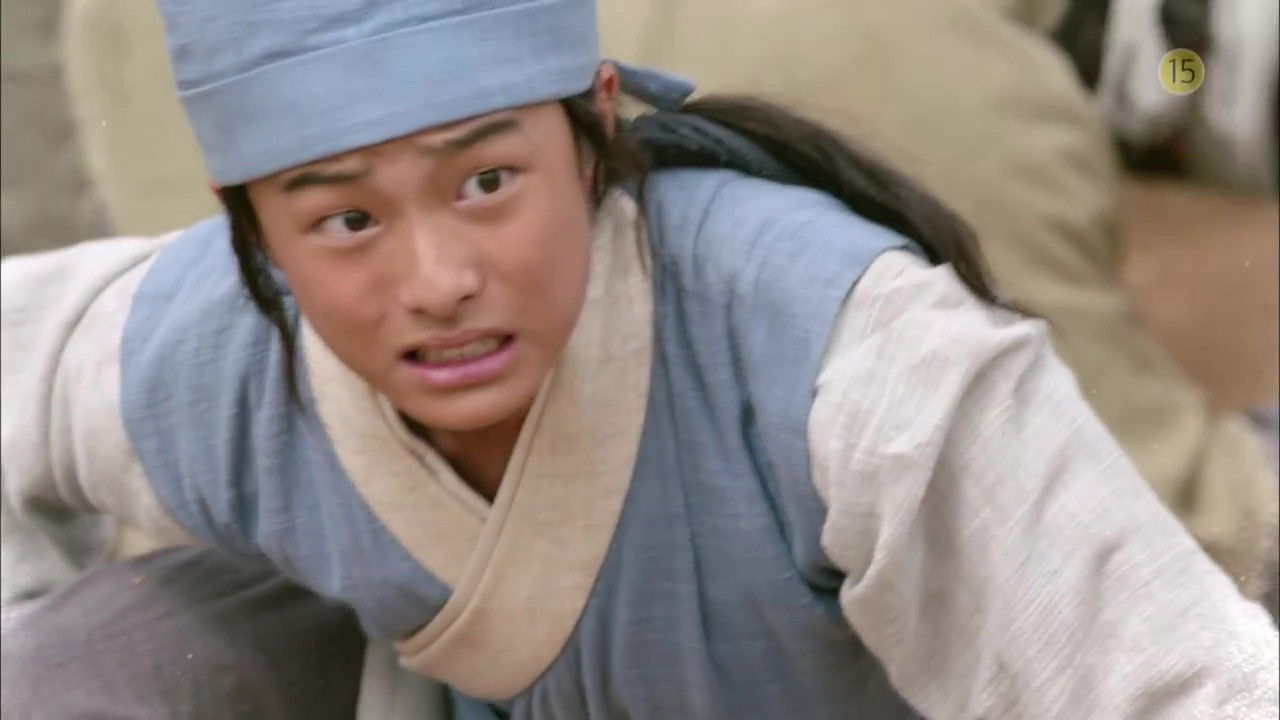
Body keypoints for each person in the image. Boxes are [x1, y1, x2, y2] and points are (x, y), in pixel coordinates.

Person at [2, 0, 1276, 717]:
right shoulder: (211, 350)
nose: (437, 281)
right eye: (343, 219)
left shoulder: (840, 351)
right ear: (246, 227)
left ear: (595, 126)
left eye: (488, 181)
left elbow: (1180, 687)